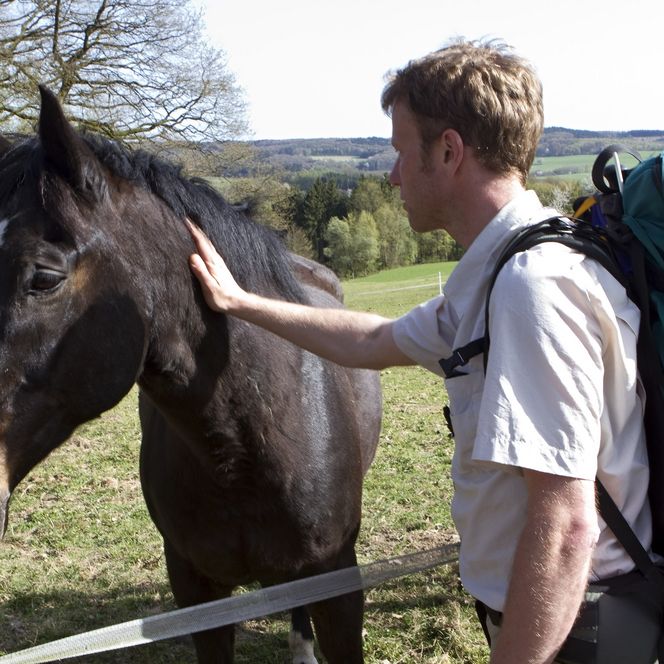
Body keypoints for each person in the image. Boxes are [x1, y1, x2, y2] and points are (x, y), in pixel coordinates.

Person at [187, 39, 662, 663]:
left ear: (448, 150)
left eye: (399, 152)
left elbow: (568, 525)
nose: (390, 176)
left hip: (575, 626)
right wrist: (243, 302)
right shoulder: (503, 269)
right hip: (565, 616)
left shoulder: (529, 288)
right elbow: (376, 340)